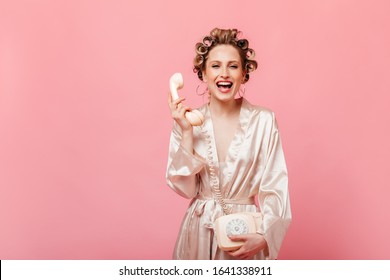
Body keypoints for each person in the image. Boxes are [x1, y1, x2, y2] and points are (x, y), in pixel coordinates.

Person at [166, 28, 291, 260]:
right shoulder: (188, 121)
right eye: (215, 66)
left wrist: (265, 235)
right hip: (198, 231)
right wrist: (185, 131)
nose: (224, 73)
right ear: (203, 74)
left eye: (233, 66)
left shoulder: (263, 120)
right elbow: (186, 189)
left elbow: (276, 185)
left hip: (245, 232)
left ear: (244, 74)